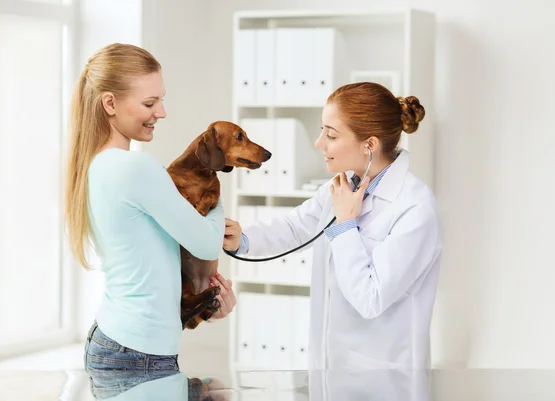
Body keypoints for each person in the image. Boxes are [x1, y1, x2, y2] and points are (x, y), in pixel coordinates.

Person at [224, 82, 442, 397]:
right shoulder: (344, 186)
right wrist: (241, 239)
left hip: (385, 381)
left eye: (331, 134)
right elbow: (297, 226)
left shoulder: (415, 209)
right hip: (332, 373)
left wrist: (345, 224)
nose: (318, 143)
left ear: (369, 144)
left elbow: (371, 298)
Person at [63, 43, 237, 394]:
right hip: (137, 354)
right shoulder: (134, 167)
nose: (162, 112)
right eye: (149, 103)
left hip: (124, 344)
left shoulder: (96, 166)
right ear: (109, 103)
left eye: (161, 99)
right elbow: (204, 240)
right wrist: (214, 200)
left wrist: (203, 303)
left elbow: (149, 263)